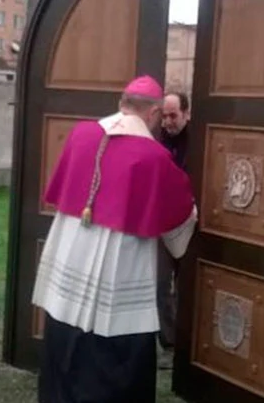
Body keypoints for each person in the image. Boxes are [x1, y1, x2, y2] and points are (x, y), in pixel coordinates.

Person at [32, 76, 198, 403]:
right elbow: (180, 213)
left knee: (66, 325)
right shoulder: (154, 156)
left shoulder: (81, 134)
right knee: (113, 339)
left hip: (71, 252)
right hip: (121, 266)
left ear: (122, 103)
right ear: (153, 114)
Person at [155, 91, 191, 369]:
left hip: (192, 223)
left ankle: (187, 344)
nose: (168, 121)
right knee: (160, 284)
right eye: (164, 116)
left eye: (173, 116)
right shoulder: (155, 140)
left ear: (187, 114)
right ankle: (169, 343)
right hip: (163, 222)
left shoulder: (201, 140)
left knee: (188, 285)